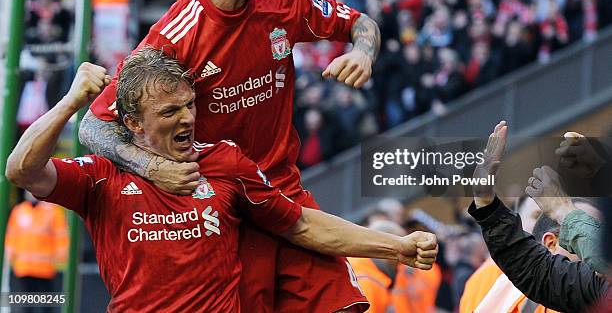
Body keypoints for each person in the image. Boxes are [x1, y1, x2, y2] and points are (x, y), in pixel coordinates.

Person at [78, 0, 381, 312]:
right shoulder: (176, 36)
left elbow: (361, 23)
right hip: (228, 209)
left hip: (285, 191)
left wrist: (363, 52)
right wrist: (153, 167)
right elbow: (93, 126)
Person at [7, 49, 438, 312]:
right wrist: (70, 102)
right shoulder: (103, 174)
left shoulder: (226, 163)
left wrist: (396, 247)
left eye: (189, 105)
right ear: (134, 123)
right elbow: (21, 169)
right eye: (170, 111)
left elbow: (302, 225)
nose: (188, 118)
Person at [468, 121, 609, 312]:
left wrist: (563, 209)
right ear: (551, 243)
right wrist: (486, 204)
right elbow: (534, 268)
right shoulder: (492, 283)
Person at [5, 191, 68, 311]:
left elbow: (61, 238)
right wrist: (9, 257)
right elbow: (11, 235)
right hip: (24, 268)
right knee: (27, 305)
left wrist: (60, 259)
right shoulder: (19, 211)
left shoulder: (52, 212)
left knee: (46, 305)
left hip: (45, 268)